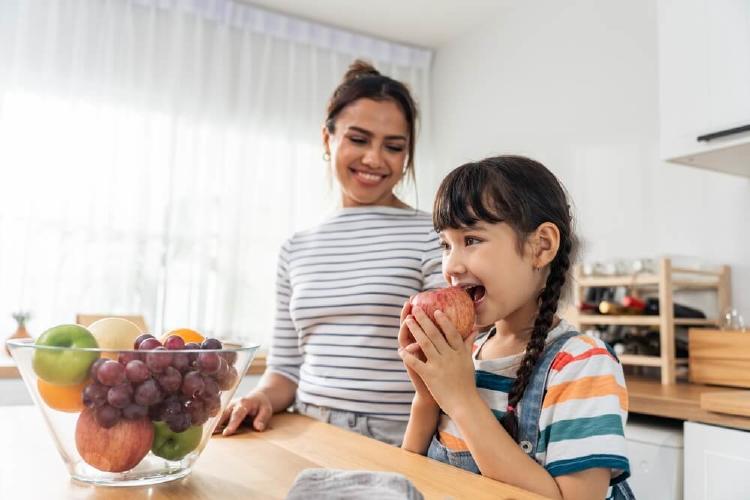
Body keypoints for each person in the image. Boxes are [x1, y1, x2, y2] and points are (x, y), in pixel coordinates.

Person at [218, 60, 445, 446]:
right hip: (306, 429)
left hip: (399, 437)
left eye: (393, 147)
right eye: (358, 139)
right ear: (328, 140)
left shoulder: (434, 235)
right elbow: (286, 369)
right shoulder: (296, 247)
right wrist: (258, 397)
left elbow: (447, 362)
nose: (374, 159)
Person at [398, 156, 633, 499]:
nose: (450, 265)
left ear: (541, 247)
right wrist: (427, 395)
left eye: (472, 240)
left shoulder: (582, 365)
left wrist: (462, 399)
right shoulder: (471, 351)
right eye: (445, 245)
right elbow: (413, 476)